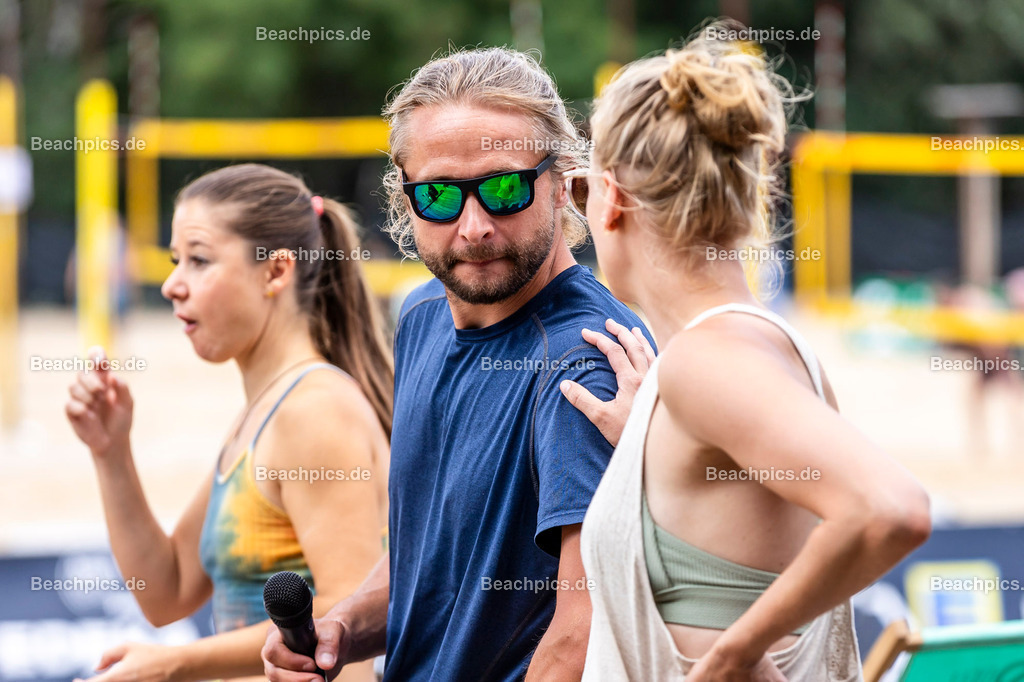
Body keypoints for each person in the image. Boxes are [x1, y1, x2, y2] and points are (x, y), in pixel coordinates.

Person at [262, 48, 655, 682]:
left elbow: (581, 636)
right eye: (440, 197)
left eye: (504, 189)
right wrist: (342, 628)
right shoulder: (421, 318)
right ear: (405, 193)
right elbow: (430, 564)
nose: (473, 226)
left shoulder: (589, 361)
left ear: (563, 181)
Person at [558, 25, 932, 681]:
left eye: (582, 190)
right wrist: (642, 461)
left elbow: (890, 508)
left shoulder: (708, 362)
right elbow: (729, 539)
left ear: (612, 199)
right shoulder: (748, 352)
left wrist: (732, 655)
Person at [65, 164, 392, 682]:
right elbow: (166, 591)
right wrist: (111, 452)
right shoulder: (264, 412)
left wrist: (174, 663)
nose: (172, 285)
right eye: (175, 261)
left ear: (275, 272)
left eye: (198, 260)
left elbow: (347, 624)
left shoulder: (314, 409)